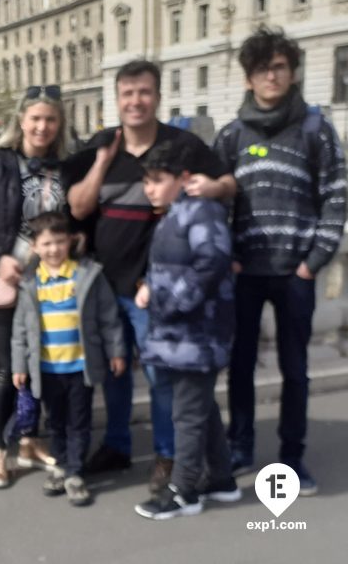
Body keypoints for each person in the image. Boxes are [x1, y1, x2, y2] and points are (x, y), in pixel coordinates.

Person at [62, 60, 234, 494]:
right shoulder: (101, 145)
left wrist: (211, 188)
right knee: (115, 371)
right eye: (127, 94)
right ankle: (117, 446)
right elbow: (79, 208)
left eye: (143, 92)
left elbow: (229, 183)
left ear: (157, 96)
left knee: (162, 375)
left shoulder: (183, 145)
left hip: (155, 289)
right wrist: (101, 164)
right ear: (117, 100)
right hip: (106, 284)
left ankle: (167, 455)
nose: (135, 101)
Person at [213, 26, 347, 495]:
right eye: (261, 68)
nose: (271, 75)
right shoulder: (232, 136)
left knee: (295, 368)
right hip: (245, 272)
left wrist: (313, 261)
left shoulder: (315, 130)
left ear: (291, 73)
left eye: (279, 67)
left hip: (296, 273)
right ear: (249, 78)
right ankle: (240, 445)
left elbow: (335, 197)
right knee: (241, 363)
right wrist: (227, 255)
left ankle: (292, 458)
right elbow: (215, 206)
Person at [0, 85, 69, 489]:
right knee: (9, 368)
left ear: (60, 125)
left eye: (50, 119)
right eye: (35, 118)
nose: (42, 126)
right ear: (21, 120)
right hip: (8, 279)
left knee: (41, 364)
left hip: (49, 281)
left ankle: (29, 440)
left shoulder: (62, 166)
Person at [134, 143, 243, 519]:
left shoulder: (200, 211)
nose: (150, 189)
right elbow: (175, 265)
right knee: (201, 408)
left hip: (197, 330)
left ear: (183, 179)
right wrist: (151, 286)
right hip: (184, 332)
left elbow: (212, 262)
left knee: (187, 413)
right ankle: (223, 480)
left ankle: (184, 491)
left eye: (157, 181)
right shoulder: (177, 213)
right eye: (146, 182)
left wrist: (172, 302)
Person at [10, 211, 125, 507]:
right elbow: (20, 330)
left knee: (79, 421)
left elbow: (108, 318)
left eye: (59, 242)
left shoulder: (87, 276)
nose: (53, 249)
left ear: (70, 241)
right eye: (46, 243)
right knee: (56, 422)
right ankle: (60, 465)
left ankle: (75, 472)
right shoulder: (31, 283)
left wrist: (116, 351)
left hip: (79, 367)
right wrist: (19, 366)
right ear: (35, 247)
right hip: (47, 368)